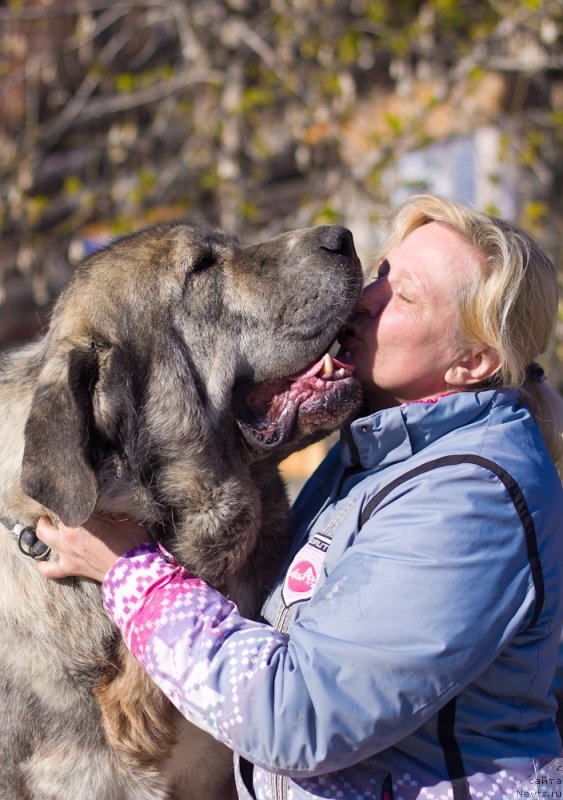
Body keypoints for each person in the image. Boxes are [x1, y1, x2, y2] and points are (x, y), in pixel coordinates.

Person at [36, 194, 563, 800]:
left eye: (404, 297)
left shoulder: (470, 501)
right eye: (382, 274)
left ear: (473, 361)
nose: (365, 298)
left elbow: (301, 718)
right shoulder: (386, 456)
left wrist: (131, 572)